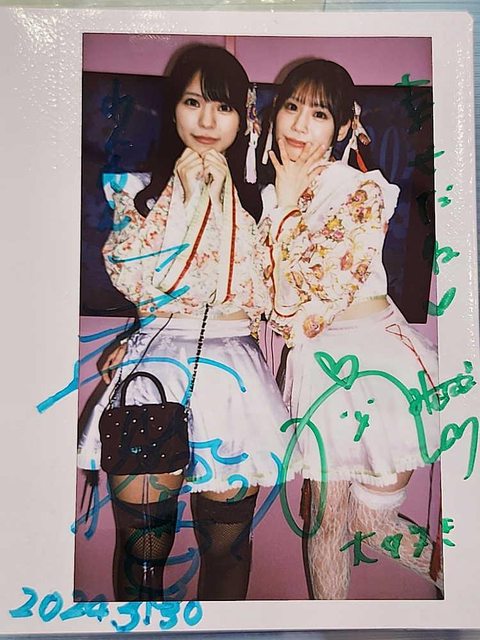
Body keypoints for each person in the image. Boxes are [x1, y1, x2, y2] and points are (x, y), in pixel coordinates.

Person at [78, 44, 296, 602]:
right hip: (153, 367)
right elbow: (134, 280)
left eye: (222, 107)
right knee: (142, 549)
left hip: (233, 375)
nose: (206, 120)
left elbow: (259, 294)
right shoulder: (136, 192)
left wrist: (221, 201)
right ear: (172, 107)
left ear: (244, 117)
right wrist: (185, 200)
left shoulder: (265, 201)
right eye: (193, 102)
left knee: (226, 548)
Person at [259, 58, 441, 599]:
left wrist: (285, 211)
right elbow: (271, 302)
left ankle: (462, 584)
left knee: (369, 521)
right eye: (291, 107)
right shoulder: (271, 197)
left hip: (375, 362)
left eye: (318, 114)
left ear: (343, 127)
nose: (299, 125)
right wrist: (282, 206)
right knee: (325, 522)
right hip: (318, 367)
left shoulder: (361, 190)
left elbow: (312, 300)